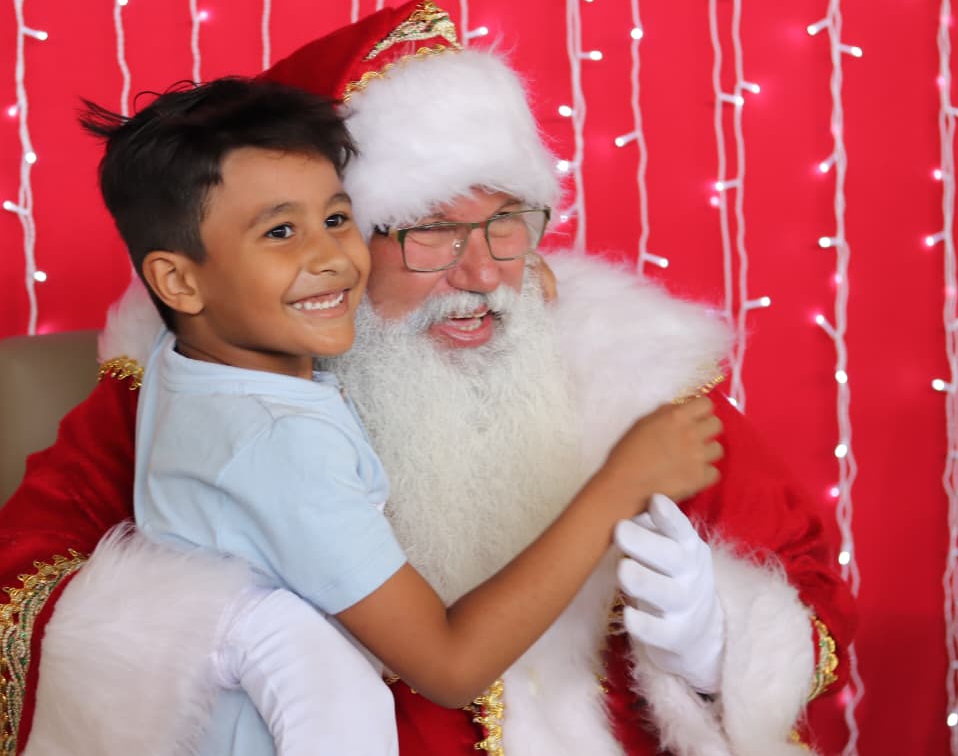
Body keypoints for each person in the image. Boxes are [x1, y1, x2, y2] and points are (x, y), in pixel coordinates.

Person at [0, 0, 855, 756]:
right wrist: (219, 627)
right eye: (430, 232)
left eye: (507, 222)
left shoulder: (632, 372)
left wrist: (714, 640)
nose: (483, 272)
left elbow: (808, 581)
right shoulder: (199, 383)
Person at [78, 75, 722, 756]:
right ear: (178, 281)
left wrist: (502, 280)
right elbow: (450, 665)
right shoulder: (282, 446)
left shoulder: (198, 359)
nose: (330, 258)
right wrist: (618, 486)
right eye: (281, 231)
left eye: (336, 220)